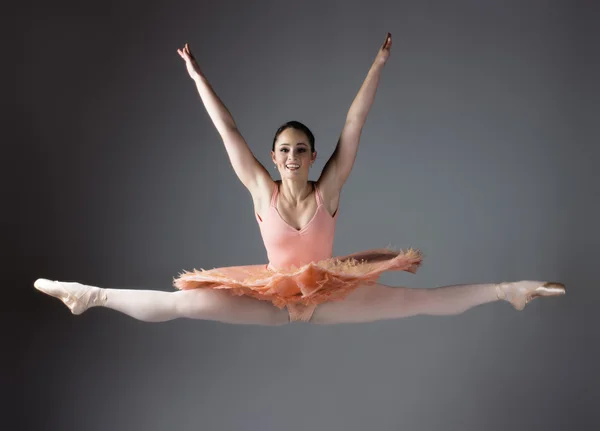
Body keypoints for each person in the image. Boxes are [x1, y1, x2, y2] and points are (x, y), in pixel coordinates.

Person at [34, 33, 565, 325]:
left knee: (417, 301)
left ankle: (509, 290)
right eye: (284, 150)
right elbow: (227, 130)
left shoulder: (327, 190)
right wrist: (197, 76)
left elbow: (353, 126)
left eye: (301, 150)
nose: (292, 157)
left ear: (313, 157)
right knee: (182, 305)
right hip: (269, 299)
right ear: (274, 155)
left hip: (329, 296)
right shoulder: (260, 190)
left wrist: (377, 65)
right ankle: (90, 295)